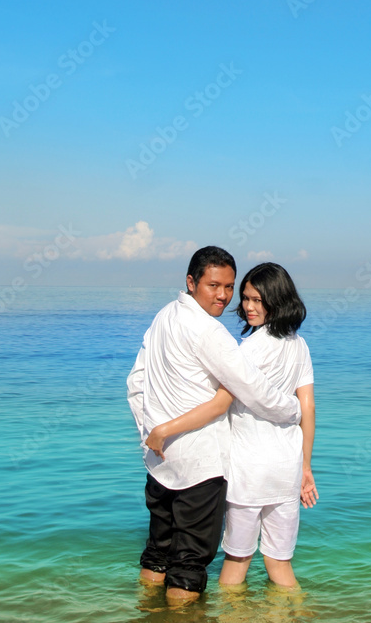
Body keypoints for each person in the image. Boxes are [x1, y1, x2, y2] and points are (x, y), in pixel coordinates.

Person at [126, 246, 301, 605]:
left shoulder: (163, 316)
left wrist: (150, 431)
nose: (223, 295)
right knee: (189, 568)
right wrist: (291, 409)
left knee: (157, 554)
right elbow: (249, 388)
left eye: (229, 286)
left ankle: (145, 612)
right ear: (191, 282)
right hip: (200, 466)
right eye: (213, 285)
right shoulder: (210, 332)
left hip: (159, 461)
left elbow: (136, 381)